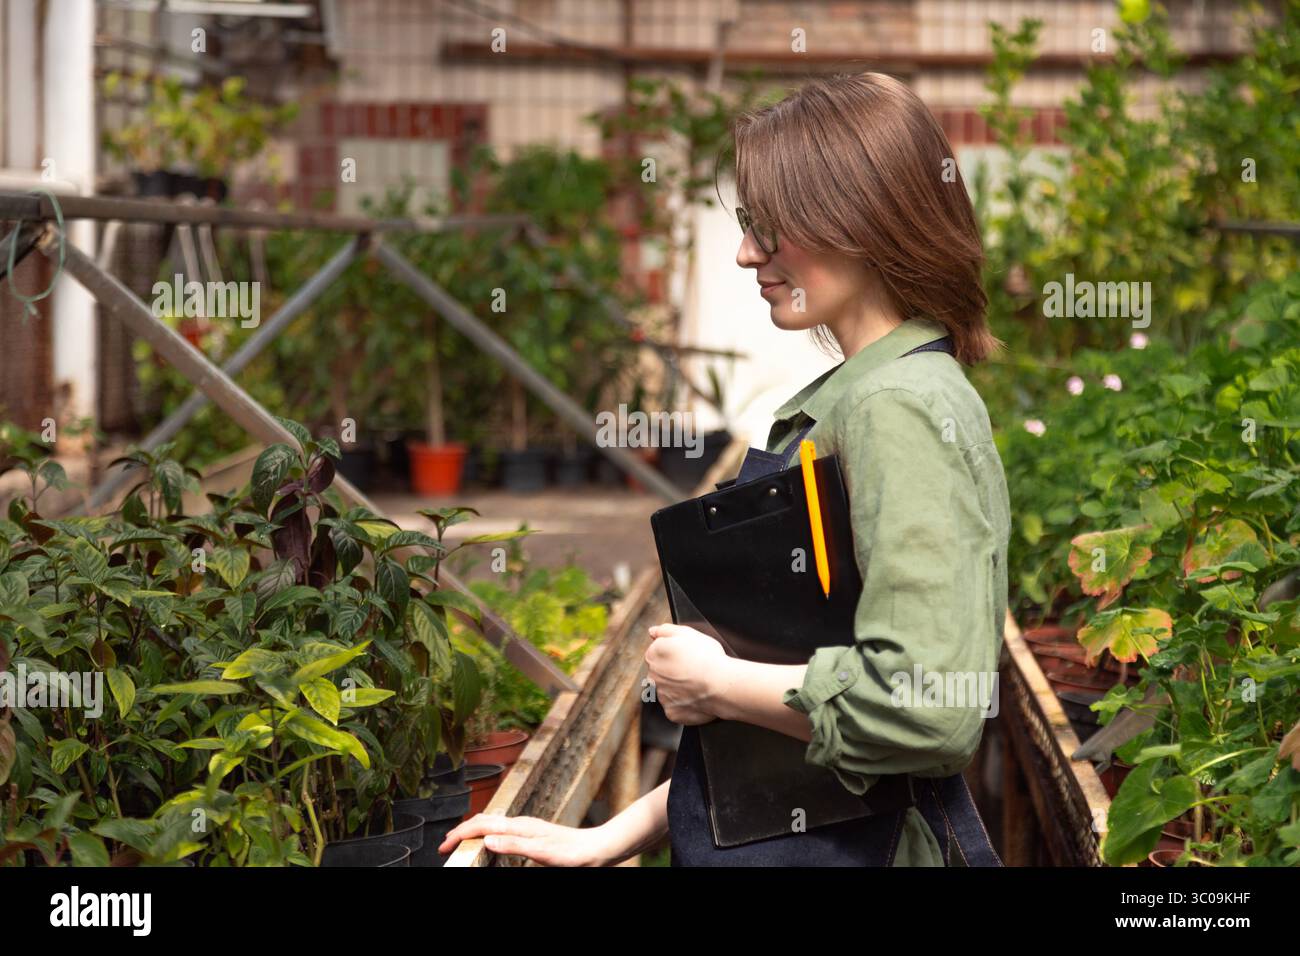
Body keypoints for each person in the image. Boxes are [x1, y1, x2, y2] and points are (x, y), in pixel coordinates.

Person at [440, 71, 1011, 867]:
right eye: (749, 223)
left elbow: (925, 707)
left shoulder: (898, 406)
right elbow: (803, 722)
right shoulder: (863, 397)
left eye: (770, 226)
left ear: (860, 218)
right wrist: (612, 835)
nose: (747, 252)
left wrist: (717, 684)